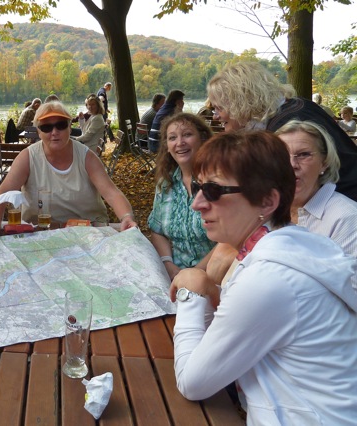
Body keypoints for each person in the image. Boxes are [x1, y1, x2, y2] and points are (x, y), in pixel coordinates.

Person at [170, 131, 357, 424]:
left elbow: (193, 382)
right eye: (198, 187)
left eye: (215, 191)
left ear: (267, 202)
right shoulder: (298, 244)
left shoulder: (272, 279)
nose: (198, 203)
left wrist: (190, 294)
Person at [206, 61, 357, 201]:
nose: (216, 116)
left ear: (241, 103)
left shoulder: (286, 130)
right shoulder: (299, 106)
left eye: (219, 108)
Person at [0, 101, 137, 234]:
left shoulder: (86, 157)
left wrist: (126, 217)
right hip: (38, 233)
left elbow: (111, 193)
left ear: (70, 127)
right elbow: (2, 194)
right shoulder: (27, 157)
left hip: (88, 232)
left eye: (61, 125)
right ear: (38, 131)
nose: (54, 132)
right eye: (46, 127)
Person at [275, 120, 357, 290]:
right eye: (282, 156)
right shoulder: (266, 210)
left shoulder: (346, 218)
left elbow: (352, 293)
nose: (291, 164)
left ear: (324, 162)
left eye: (304, 154)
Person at [148, 113, 215, 280]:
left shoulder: (217, 181)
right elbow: (157, 231)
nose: (180, 143)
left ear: (203, 138)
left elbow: (230, 239)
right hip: (174, 274)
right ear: (167, 146)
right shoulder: (165, 184)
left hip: (216, 273)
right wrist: (168, 264)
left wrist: (193, 274)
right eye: (172, 138)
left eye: (187, 134)